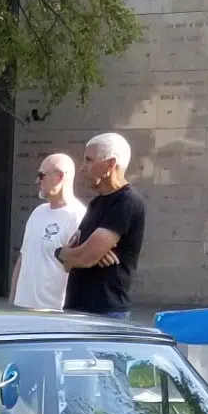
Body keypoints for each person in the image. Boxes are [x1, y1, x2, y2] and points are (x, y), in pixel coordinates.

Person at [58, 132, 146, 316]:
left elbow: (85, 258)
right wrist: (62, 253)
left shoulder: (127, 202)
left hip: (106, 314)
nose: (82, 168)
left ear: (110, 164)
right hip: (76, 309)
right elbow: (70, 263)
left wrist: (76, 254)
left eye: (89, 160)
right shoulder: (95, 204)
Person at [10, 153, 83, 312]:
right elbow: (23, 257)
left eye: (41, 175)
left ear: (59, 176)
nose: (37, 181)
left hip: (52, 314)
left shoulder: (78, 216)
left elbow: (76, 267)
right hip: (21, 310)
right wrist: (12, 299)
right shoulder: (38, 212)